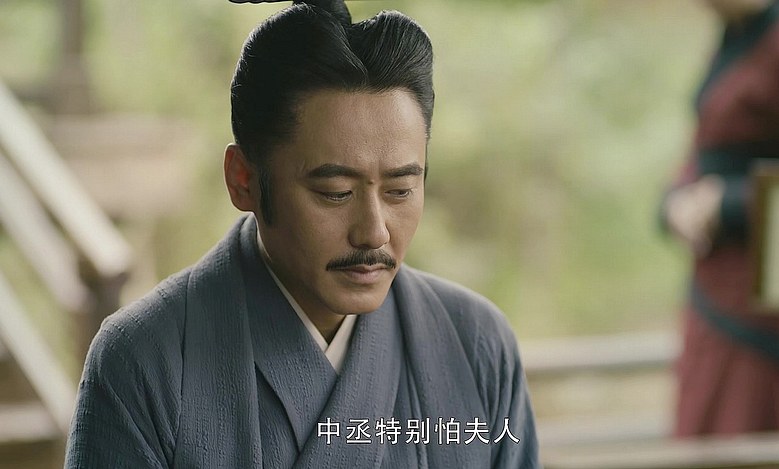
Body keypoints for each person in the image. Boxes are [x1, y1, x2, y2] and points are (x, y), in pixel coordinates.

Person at [64, 1, 539, 467]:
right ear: (243, 180)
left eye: (399, 190)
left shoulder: (475, 343)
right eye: (335, 193)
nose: (374, 233)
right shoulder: (143, 359)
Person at [661, 0, 779, 436]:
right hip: (711, 287)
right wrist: (675, 202)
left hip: (768, 302)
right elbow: (704, 151)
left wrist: (728, 204)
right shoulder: (731, 41)